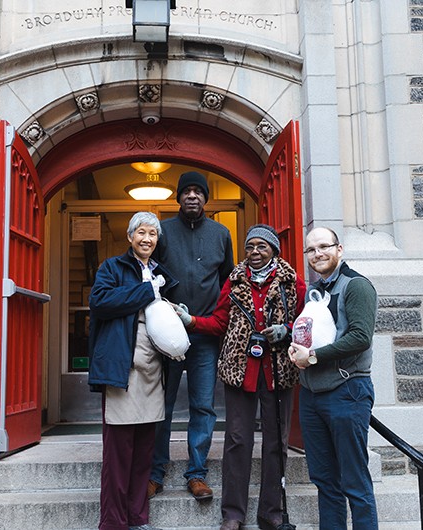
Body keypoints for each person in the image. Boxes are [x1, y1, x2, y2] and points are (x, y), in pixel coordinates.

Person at [175, 224, 306, 530]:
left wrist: (287, 331)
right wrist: (190, 320)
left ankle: (271, 513)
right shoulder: (234, 282)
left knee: (276, 442)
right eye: (250, 247)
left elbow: (305, 321)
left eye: (262, 246)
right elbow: (220, 321)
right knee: (237, 441)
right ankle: (233, 514)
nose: (255, 252)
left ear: (274, 249)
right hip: (240, 370)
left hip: (278, 372)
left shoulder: (293, 283)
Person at [88, 211, 179, 530]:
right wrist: (147, 292)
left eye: (153, 234)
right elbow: (100, 302)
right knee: (118, 453)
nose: (147, 239)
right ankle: (113, 522)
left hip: (153, 369)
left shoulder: (162, 274)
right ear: (130, 237)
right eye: (141, 232)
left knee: (143, 452)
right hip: (121, 370)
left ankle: (138, 517)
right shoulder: (112, 267)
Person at [149, 171, 235, 501]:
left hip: (205, 336)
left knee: (202, 407)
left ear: (206, 198)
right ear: (178, 197)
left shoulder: (221, 233)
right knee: (162, 406)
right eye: (187, 191)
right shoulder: (163, 232)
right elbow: (149, 276)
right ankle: (155, 472)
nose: (193, 196)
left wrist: (218, 321)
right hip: (166, 336)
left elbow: (228, 281)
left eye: (199, 191)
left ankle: (197, 474)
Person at [288, 226, 379, 530]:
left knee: (354, 482)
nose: (317, 254)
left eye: (324, 247)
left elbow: (360, 338)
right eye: (311, 250)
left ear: (339, 249)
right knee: (325, 482)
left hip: (347, 392)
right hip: (312, 396)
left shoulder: (357, 286)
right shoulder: (315, 292)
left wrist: (312, 357)